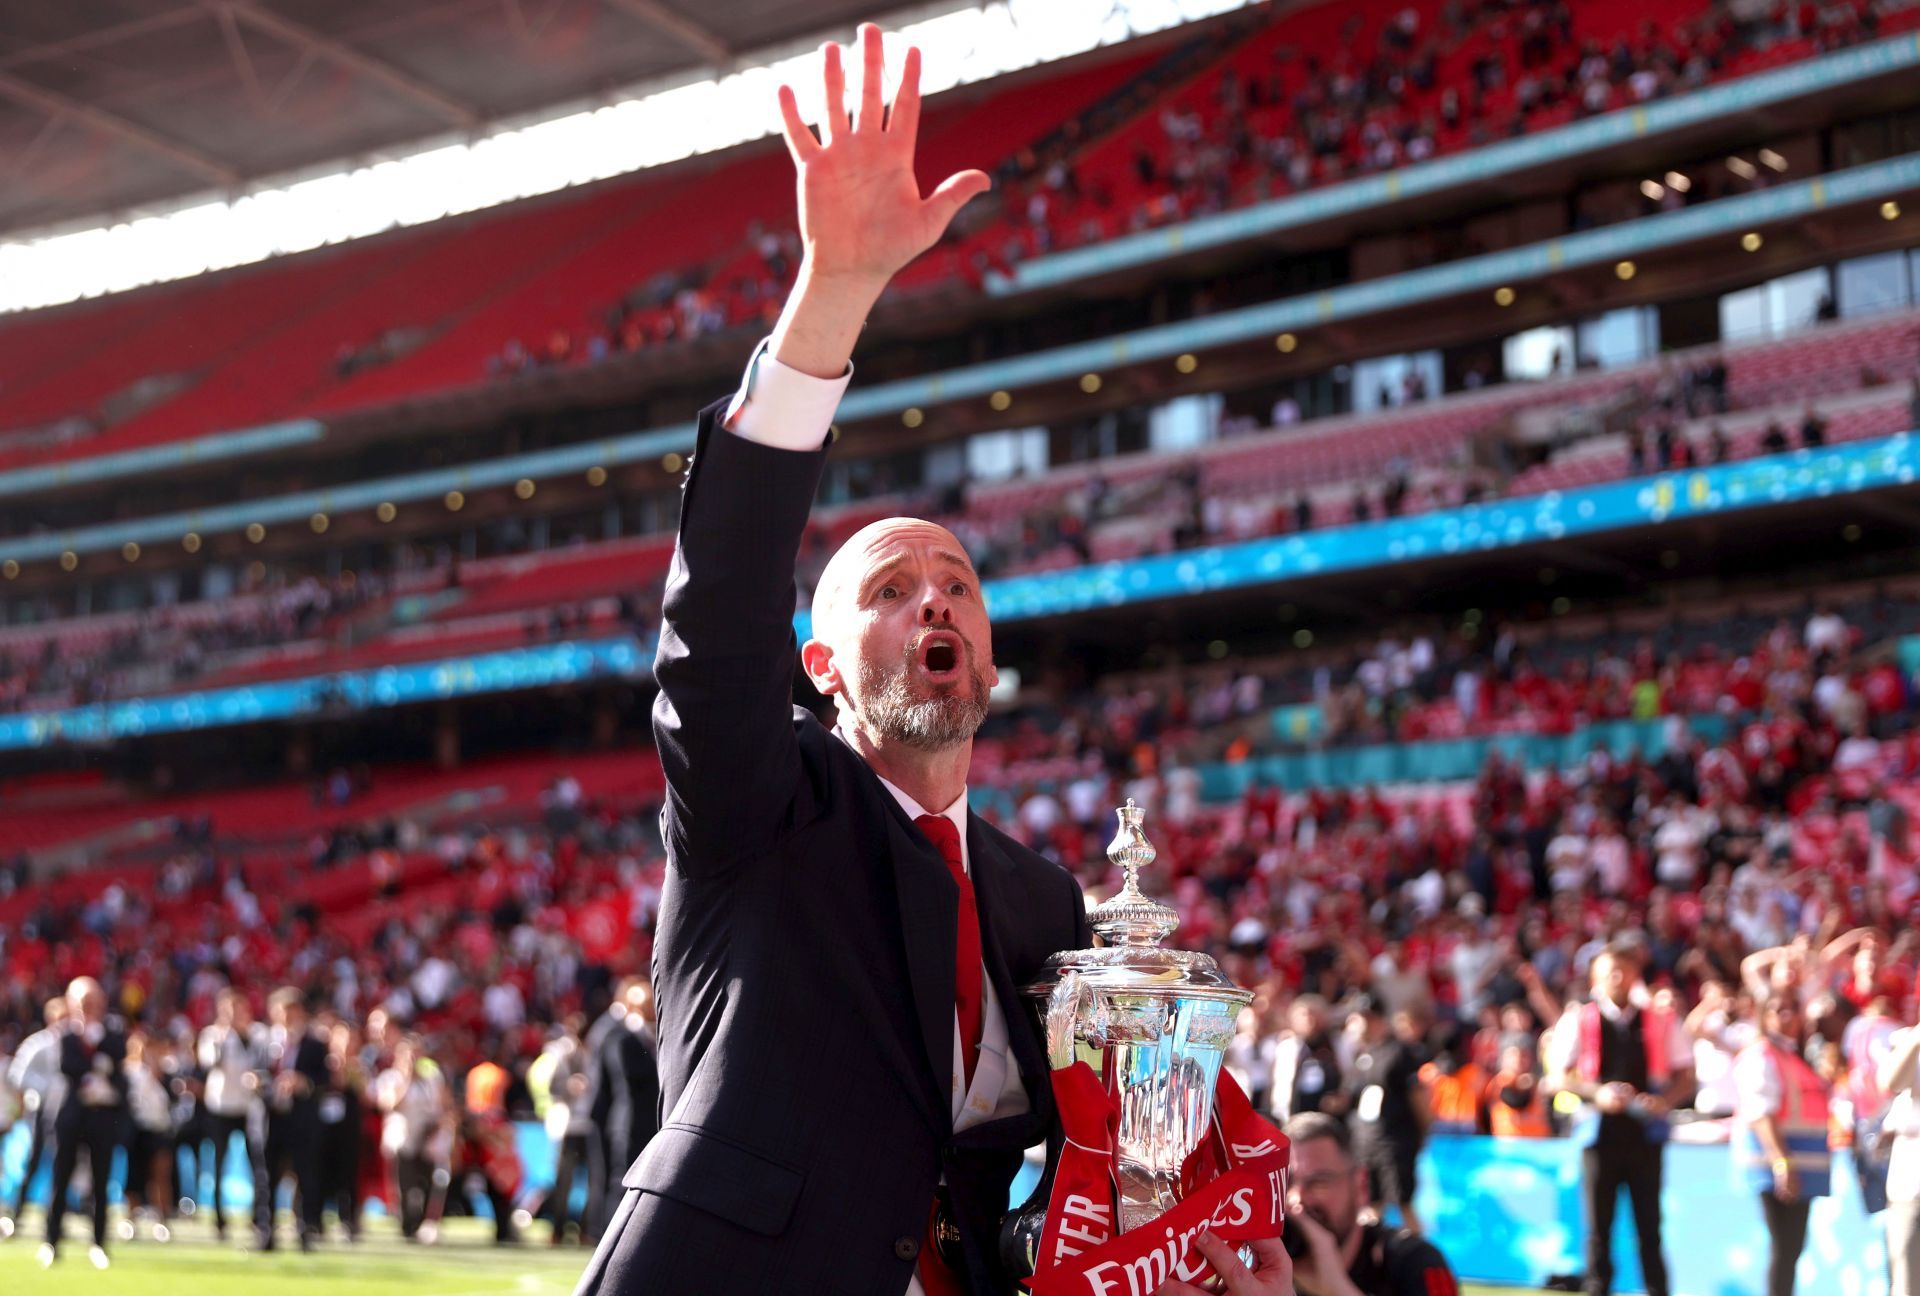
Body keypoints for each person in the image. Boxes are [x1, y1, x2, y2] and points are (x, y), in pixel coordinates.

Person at [573, 25, 1285, 1296]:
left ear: (988, 648)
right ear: (822, 665)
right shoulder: (761, 802)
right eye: (889, 591)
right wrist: (830, 296)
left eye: (956, 583)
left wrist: (1165, 1239)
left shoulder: (1043, 904)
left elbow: (995, 1192)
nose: (932, 601)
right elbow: (718, 609)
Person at [1545, 946, 1694, 1296]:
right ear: (1596, 977)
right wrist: (1598, 1095)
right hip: (1599, 1136)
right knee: (1599, 1227)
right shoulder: (1580, 1019)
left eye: (1625, 970)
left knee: (1650, 1228)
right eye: (1610, 970)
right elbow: (1558, 1076)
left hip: (1645, 1135)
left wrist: (1663, 1101)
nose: (1618, 977)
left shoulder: (1659, 1020)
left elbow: (1686, 1074)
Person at [1281, 1112, 1458, 1296]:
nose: (1297, 1199)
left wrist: (1336, 1289)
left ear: (1361, 1186)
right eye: (1285, 1184)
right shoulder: (1270, 1267)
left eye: (1319, 1182)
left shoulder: (1413, 1261)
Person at [1732, 995, 1831, 1296]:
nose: (1784, 1016)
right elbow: (1760, 1114)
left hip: (1804, 1165)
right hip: (1778, 1165)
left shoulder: (1794, 1054)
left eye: (1790, 1009)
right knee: (1783, 1248)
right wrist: (1781, 1161)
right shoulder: (1762, 1055)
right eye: (1776, 1010)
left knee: (1792, 1249)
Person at [41, 977, 127, 1270]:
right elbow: (70, 1067)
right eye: (83, 1001)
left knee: (101, 1181)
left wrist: (98, 1067)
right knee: (60, 1177)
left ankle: (99, 1242)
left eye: (94, 1001)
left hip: (103, 1115)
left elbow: (118, 1067)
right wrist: (96, 1068)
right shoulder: (65, 1034)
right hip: (72, 1116)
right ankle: (51, 1240)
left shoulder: (113, 1033)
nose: (89, 1007)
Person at [1342, 1004, 1430, 1235]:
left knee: (1403, 1202)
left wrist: (1423, 1132)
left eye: (1360, 1019)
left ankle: (1420, 1261)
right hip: (1367, 1140)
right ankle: (1373, 1260)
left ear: (1375, 1020)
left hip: (1395, 1140)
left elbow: (1418, 1097)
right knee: (1371, 1204)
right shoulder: (1364, 1054)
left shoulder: (1400, 1052)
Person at [253, 987, 328, 1252]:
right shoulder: (265, 1043)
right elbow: (259, 1073)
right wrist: (259, 1083)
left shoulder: (315, 1044)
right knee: (267, 1177)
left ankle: (305, 1230)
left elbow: (324, 1080)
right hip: (272, 1117)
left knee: (305, 1176)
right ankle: (266, 1231)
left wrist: (303, 1083)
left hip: (302, 1120)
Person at [586, 980, 659, 1240]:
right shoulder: (620, 1037)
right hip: (626, 1123)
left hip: (638, 1121)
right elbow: (628, 1079)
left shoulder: (645, 1038)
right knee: (619, 1180)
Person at [195, 987, 260, 1241]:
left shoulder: (256, 1035)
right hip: (220, 1106)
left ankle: (258, 1215)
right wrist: (223, 1040)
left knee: (256, 1162)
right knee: (219, 1163)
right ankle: (219, 1218)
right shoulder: (212, 1035)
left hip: (248, 1106)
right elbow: (209, 1063)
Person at [3, 996, 68, 1241]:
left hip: (66, 1112)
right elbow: (17, 1075)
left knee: (63, 1165)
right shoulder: (39, 1044)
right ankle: (15, 1213)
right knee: (33, 1162)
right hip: (43, 1111)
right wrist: (43, 1090)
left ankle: (56, 1219)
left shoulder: (72, 1043)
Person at [375, 1034, 450, 1243]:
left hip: (427, 1136)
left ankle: (424, 1222)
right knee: (405, 1183)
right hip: (403, 1137)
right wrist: (407, 1079)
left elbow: (442, 1107)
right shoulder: (390, 1078)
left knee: (427, 1181)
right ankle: (407, 1222)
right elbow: (389, 1105)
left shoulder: (432, 1079)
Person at [1881, 1018, 1920, 1296]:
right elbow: (1891, 1081)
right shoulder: (1906, 1042)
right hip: (1911, 1189)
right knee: (1907, 1283)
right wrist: (1917, 1039)